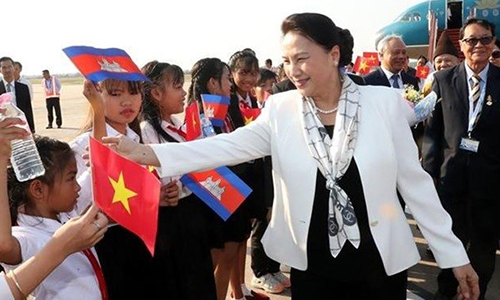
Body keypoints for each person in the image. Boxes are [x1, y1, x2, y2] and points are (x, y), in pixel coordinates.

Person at [103, 13, 479, 300]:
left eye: (301, 58)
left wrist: (452, 253)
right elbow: (225, 146)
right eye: (286, 61)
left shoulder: (382, 104)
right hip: (312, 263)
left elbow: (415, 185)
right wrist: (147, 152)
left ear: (334, 55)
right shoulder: (281, 109)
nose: (292, 70)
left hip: (379, 263)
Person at [422, 18, 499, 300]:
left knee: (483, 251)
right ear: (462, 45)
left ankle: (475, 295)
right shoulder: (443, 80)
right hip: (449, 180)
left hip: (490, 184)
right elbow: (432, 133)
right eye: (472, 40)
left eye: (485, 39)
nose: (479, 45)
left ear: (493, 43)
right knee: (449, 247)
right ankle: (446, 293)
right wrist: (428, 177)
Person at [139, 60, 217, 300]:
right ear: (156, 93)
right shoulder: (145, 132)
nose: (184, 93)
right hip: (168, 223)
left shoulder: (177, 127)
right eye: (177, 86)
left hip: (190, 213)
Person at [70, 79, 152, 300]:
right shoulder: (80, 146)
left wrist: (158, 197)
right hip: (104, 244)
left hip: (136, 240)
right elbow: (73, 209)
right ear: (97, 96)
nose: (127, 101)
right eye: (116, 94)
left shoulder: (136, 140)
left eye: (134, 94)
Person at [0, 132, 107, 300]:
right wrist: (1, 161)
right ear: (38, 189)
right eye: (71, 178)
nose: (78, 187)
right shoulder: (26, 236)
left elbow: (99, 174)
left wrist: (98, 111)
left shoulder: (67, 213)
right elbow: (4, 245)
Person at [0, 57, 35, 132]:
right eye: (4, 67)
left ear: (13, 68)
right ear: (0, 70)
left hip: (21, 127)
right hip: (3, 129)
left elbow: (28, 109)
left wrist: (32, 129)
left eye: (9, 67)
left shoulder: (23, 88)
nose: (7, 70)